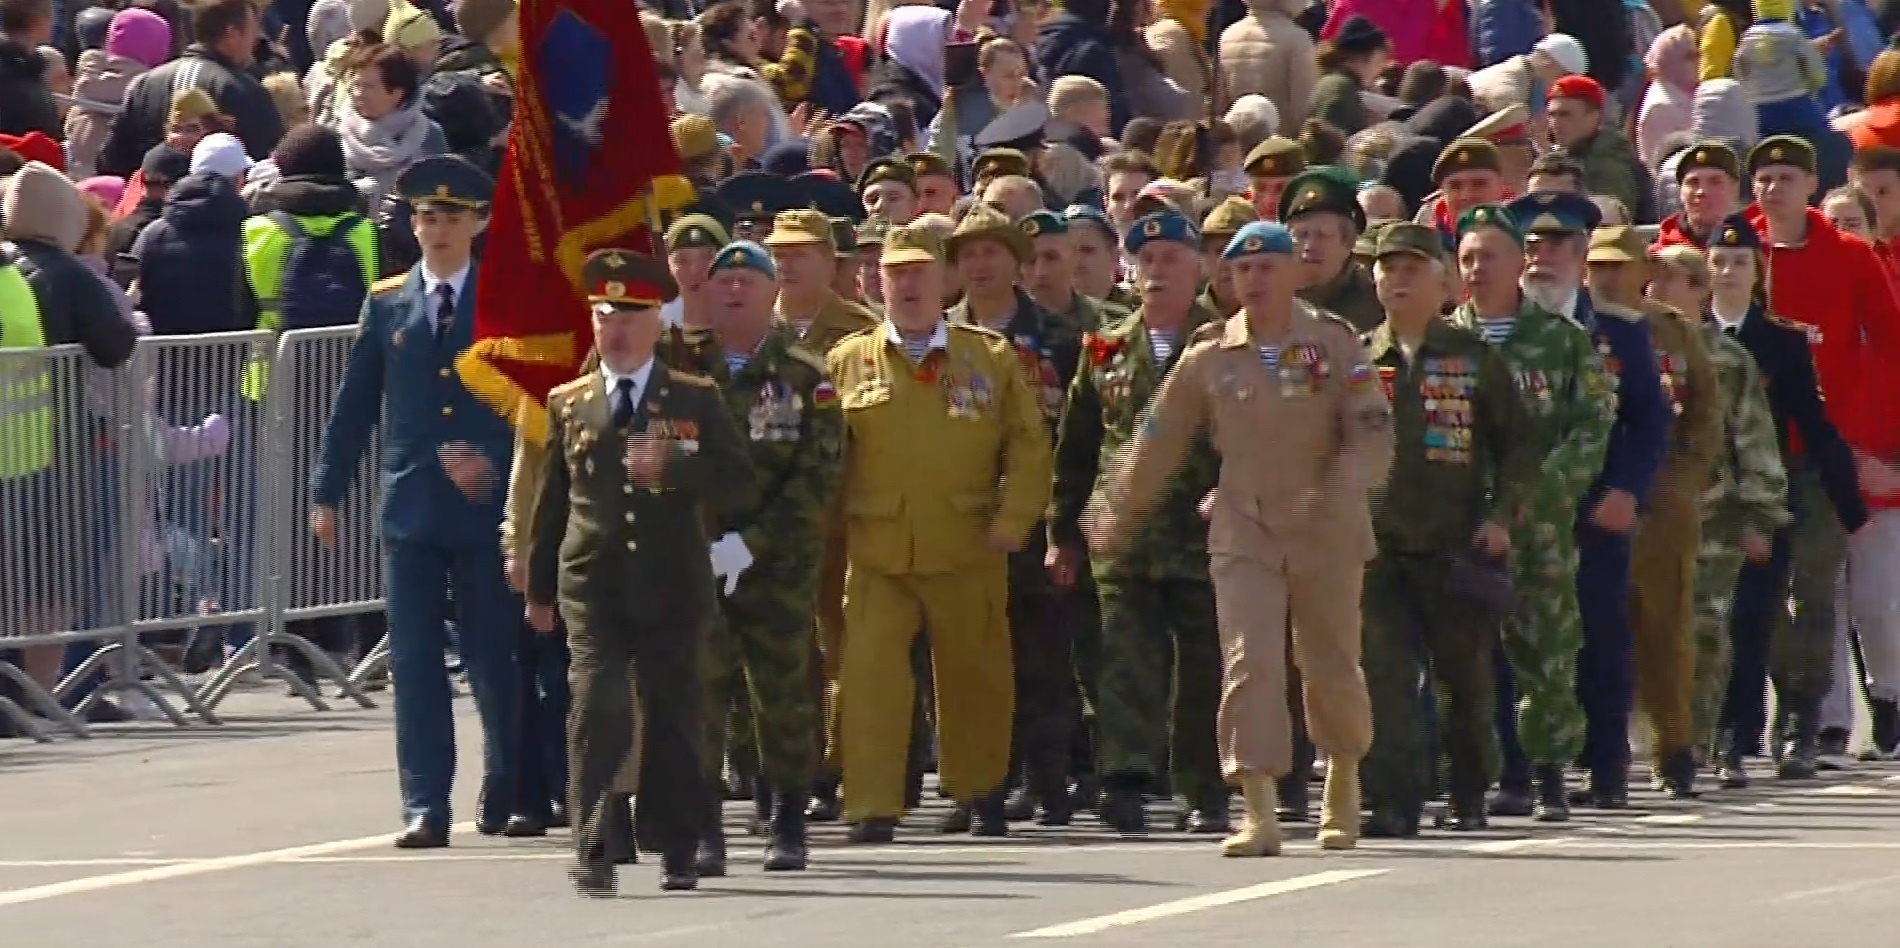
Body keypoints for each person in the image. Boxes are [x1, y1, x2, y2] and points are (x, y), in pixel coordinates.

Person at [1089, 219, 1392, 857]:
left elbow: (1370, 424)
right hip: (1244, 523)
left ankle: (1342, 777)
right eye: (1241, 269)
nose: (1252, 280)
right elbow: (1155, 440)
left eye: (1266, 267)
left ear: (1292, 272)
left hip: (1326, 524)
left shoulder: (1333, 343)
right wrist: (1117, 517)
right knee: (1248, 662)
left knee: (1330, 660)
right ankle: (1257, 807)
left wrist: (1354, 486)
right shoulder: (1210, 356)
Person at [527, 247, 756, 895]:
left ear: (656, 321)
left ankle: (680, 844)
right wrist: (540, 587)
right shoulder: (570, 402)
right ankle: (594, 842)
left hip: (672, 582)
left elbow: (738, 480)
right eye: (606, 317)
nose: (617, 330)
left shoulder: (694, 397)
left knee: (677, 715)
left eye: (630, 316)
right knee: (598, 709)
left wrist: (676, 471)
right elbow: (553, 504)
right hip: (593, 581)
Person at [309, 155, 521, 847]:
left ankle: (508, 784)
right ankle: (425, 801)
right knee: (416, 660)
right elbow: (355, 404)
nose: (437, 229)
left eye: (452, 216)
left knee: (494, 654)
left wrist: (497, 467)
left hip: (488, 506)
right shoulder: (388, 299)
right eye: (427, 216)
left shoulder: (505, 297)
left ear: (479, 223)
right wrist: (327, 489)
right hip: (411, 507)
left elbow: (534, 404)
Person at [824, 224, 1053, 842]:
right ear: (876, 283)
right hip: (877, 550)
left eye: (921, 272)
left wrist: (1015, 518)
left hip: (968, 542)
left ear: (946, 281)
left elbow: (1030, 445)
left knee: (975, 674)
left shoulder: (990, 356)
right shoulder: (848, 361)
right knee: (870, 682)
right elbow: (825, 459)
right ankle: (871, 804)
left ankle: (980, 794)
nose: (908, 285)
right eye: (895, 274)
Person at [667, 227, 844, 873]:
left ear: (773, 293)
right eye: (724, 280)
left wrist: (751, 544)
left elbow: (818, 477)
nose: (735, 289)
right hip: (699, 561)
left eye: (749, 280)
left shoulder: (805, 377)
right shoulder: (682, 376)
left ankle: (788, 819)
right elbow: (662, 464)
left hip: (777, 565)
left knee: (782, 697)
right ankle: (705, 828)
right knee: (701, 696)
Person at [1357, 221, 1538, 837]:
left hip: (1455, 544)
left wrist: (1500, 515)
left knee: (1464, 680)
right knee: (1382, 676)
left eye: (1412, 268)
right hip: (1374, 546)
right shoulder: (1355, 357)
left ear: (1442, 280)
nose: (1397, 279)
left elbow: (1517, 446)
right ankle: (1393, 799)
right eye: (1387, 268)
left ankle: (1467, 790)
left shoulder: (1471, 357)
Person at [1049, 208, 1223, 836]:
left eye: (1171, 259)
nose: (1156, 272)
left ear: (1198, 265)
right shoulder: (1106, 345)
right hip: (1123, 533)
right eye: (1145, 261)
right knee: (1123, 659)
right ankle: (1124, 776)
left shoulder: (1224, 342)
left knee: (1205, 666)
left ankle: (1204, 785)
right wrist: (1062, 531)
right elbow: (1078, 443)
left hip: (1201, 534)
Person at [1444, 203, 1613, 821]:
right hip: (1462, 522)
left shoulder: (1559, 341)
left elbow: (1593, 422)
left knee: (1545, 649)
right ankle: (1493, 773)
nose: (1477, 268)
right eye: (1466, 258)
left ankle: (1546, 774)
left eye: (1489, 256)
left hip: (1539, 523)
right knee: (1469, 656)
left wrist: (1551, 489)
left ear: (1518, 262)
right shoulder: (1445, 342)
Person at [1743, 134, 1892, 775]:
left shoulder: (1851, 257)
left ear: (1811, 185)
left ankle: (1823, 716)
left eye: (1787, 175)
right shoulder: (1737, 250)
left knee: (1827, 589)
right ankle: (1780, 719)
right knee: (1767, 597)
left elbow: (1887, 344)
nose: (1773, 187)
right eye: (1765, 176)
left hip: (1824, 448)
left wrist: (1861, 434)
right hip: (1752, 450)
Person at [1705, 215, 1868, 784]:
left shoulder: (1781, 340)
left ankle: (1795, 723)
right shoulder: (1688, 336)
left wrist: (1846, 499)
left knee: (1781, 610)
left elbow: (1812, 421)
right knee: (1728, 617)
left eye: (1740, 262)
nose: (1728, 272)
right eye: (1719, 262)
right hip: (1706, 496)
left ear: (1758, 272)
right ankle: (1726, 732)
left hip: (1774, 487)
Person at [1584, 226, 1723, 798]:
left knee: (1663, 626)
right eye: (1599, 267)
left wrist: (1675, 487)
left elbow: (1704, 421)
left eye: (1620, 266)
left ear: (1646, 271)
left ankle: (1675, 744)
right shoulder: (1575, 331)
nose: (1609, 278)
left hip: (1661, 506)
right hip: (1590, 499)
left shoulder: (1672, 332)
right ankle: (1594, 747)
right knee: (1588, 628)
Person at [1677, 238, 1789, 773]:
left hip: (1713, 517)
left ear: (1698, 291)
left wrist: (1757, 516)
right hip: (1645, 516)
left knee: (1705, 629)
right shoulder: (1621, 348)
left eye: (1672, 280)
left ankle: (1699, 740)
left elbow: (1754, 440)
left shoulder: (1727, 359)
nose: (1656, 290)